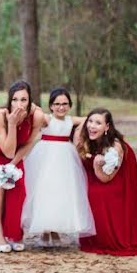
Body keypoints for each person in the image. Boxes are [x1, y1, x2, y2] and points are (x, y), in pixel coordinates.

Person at [20, 87, 95, 247]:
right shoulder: (46, 118)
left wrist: (79, 133)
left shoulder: (70, 120)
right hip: (45, 155)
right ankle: (45, 231)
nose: (61, 107)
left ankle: (55, 229)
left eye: (65, 104)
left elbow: (88, 119)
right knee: (45, 190)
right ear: (51, 106)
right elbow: (32, 109)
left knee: (62, 191)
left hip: (65, 157)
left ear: (70, 105)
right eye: (57, 104)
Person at [0, 81, 40, 252]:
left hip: (15, 154)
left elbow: (28, 144)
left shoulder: (36, 116)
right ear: (9, 100)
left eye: (24, 100)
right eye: (15, 99)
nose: (19, 104)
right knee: (1, 180)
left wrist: (12, 164)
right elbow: (7, 150)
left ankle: (14, 232)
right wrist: (11, 124)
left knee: (19, 189)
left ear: (30, 100)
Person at [75, 108, 137, 256]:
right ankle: (92, 236)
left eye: (98, 123)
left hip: (114, 179)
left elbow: (106, 178)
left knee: (97, 193)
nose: (92, 126)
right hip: (97, 174)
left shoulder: (115, 148)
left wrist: (96, 166)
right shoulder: (88, 137)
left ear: (107, 127)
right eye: (90, 121)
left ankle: (105, 238)